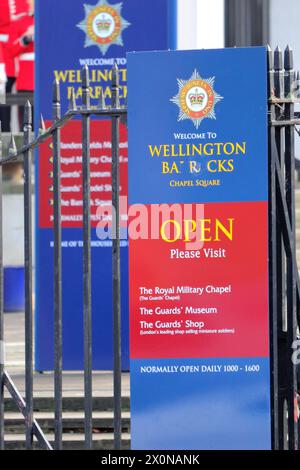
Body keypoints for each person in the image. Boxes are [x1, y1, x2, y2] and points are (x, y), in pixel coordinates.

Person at [0, 0, 29, 130]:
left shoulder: (23, 3)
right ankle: (5, 132)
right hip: (4, 56)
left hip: (19, 57)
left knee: (22, 98)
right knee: (3, 95)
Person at [7, 0, 34, 127]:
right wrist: (26, 38)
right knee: (26, 123)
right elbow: (11, 49)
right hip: (26, 79)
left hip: (47, 77)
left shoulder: (51, 21)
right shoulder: (21, 22)